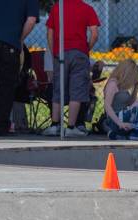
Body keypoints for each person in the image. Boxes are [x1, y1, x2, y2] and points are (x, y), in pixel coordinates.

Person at [0, 0, 38, 135]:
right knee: (6, 86)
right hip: (10, 42)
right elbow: (31, 20)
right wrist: (20, 39)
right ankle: (1, 126)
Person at [43, 0, 100, 136]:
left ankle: (55, 125)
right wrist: (86, 49)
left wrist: (54, 51)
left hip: (60, 52)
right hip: (79, 52)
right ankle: (71, 127)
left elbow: (50, 33)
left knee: (58, 88)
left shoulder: (58, 7)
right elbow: (94, 34)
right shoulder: (87, 8)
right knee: (77, 89)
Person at [101, 58, 138, 140]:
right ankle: (135, 130)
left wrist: (136, 87)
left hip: (126, 116)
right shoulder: (113, 83)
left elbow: (131, 104)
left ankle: (122, 135)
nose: (134, 79)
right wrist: (119, 123)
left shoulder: (122, 86)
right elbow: (107, 106)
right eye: (133, 76)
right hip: (116, 119)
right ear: (126, 73)